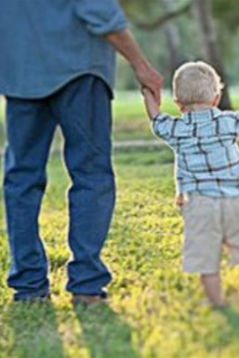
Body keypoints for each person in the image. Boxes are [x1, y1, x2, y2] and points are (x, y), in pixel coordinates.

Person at [0, 0, 163, 304]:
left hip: (21, 75)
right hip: (80, 70)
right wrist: (141, 64)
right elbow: (100, 13)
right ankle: (86, 285)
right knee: (91, 174)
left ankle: (29, 285)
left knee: (21, 180)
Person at [143, 62, 239, 307]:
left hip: (199, 203)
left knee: (206, 256)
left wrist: (147, 94)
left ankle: (217, 303)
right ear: (216, 98)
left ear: (178, 103)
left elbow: (156, 118)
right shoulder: (228, 122)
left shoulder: (176, 129)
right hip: (236, 199)